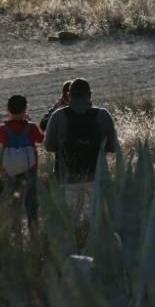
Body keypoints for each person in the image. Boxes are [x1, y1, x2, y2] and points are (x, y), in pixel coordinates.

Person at [43, 77, 118, 213]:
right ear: (90, 95)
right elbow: (113, 147)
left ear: (69, 96)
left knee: (73, 222)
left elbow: (49, 147)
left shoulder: (58, 116)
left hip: (67, 179)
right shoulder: (103, 115)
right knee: (96, 221)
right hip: (97, 177)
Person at [0, 94, 44, 229]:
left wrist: (1, 126)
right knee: (31, 202)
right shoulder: (31, 127)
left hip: (10, 170)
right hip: (30, 169)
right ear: (25, 110)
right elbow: (40, 138)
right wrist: (31, 122)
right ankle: (34, 231)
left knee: (14, 202)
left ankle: (16, 233)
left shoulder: (4, 128)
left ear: (8, 110)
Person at [40, 79, 73, 178]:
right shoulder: (58, 109)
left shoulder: (58, 109)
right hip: (63, 157)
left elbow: (43, 125)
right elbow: (43, 124)